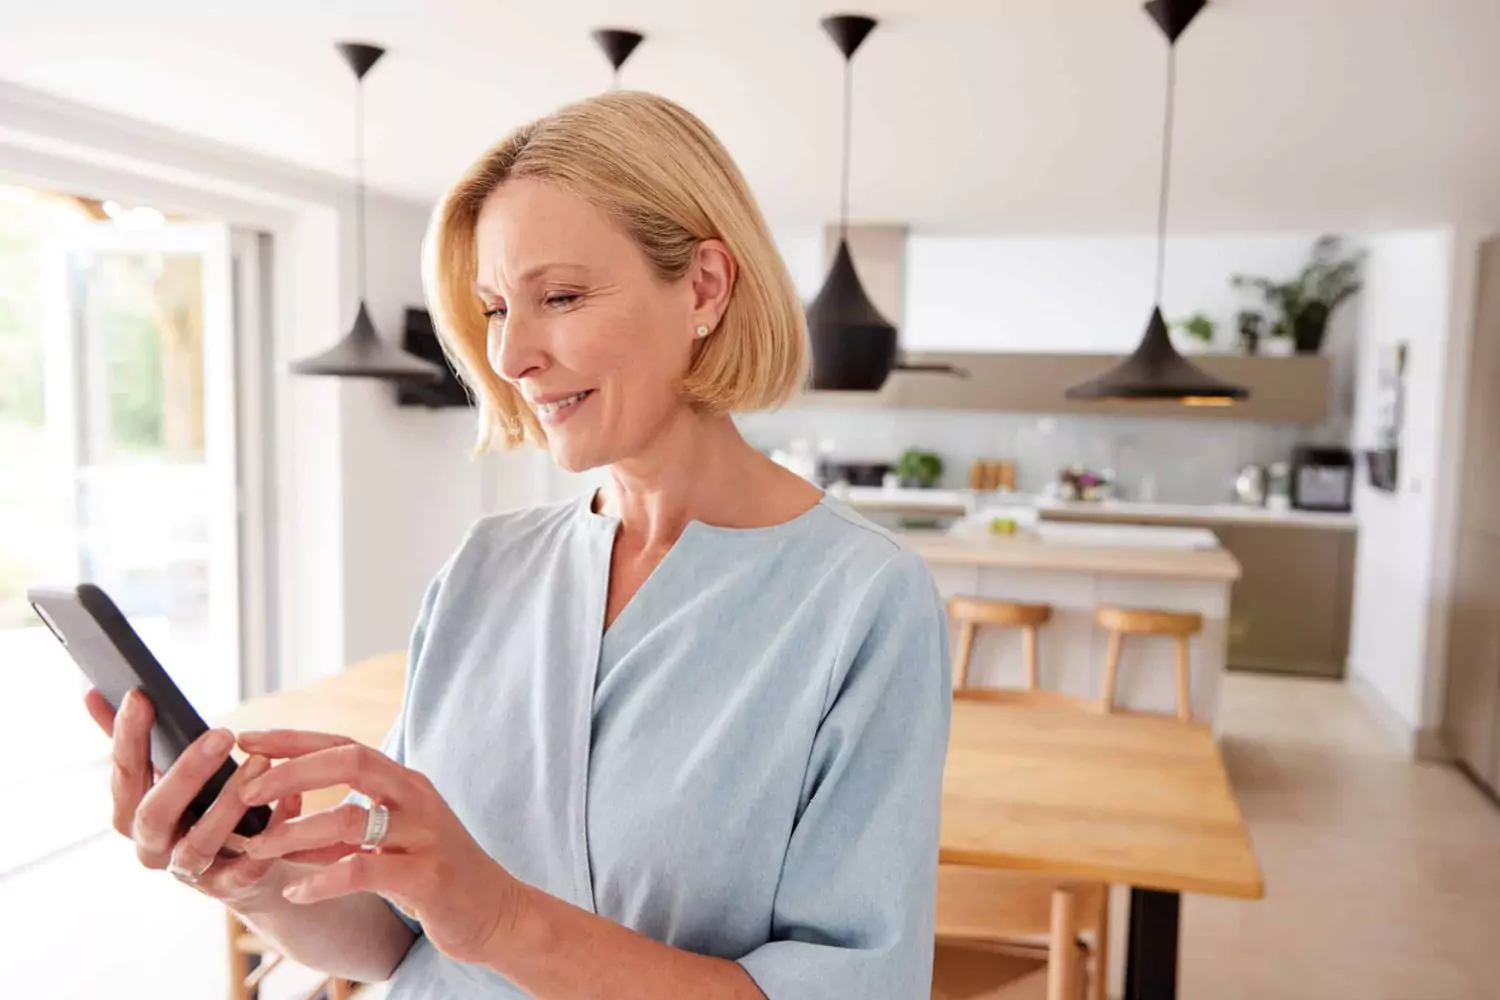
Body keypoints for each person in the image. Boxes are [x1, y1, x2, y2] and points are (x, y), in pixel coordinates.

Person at [87, 90, 952, 999]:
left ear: (703, 286)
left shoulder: (864, 601)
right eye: (496, 308)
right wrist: (252, 874)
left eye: (562, 297)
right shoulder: (486, 567)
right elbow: (396, 941)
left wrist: (500, 917)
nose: (509, 356)